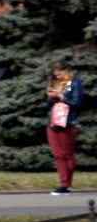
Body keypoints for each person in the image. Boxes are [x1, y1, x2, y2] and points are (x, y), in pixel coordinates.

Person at [45, 60, 83, 195]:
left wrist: (62, 96)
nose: (59, 77)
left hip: (67, 122)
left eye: (60, 74)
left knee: (67, 154)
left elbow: (76, 104)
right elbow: (48, 106)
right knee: (58, 155)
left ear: (67, 70)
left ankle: (66, 185)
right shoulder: (55, 83)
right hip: (53, 122)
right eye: (56, 75)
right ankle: (63, 184)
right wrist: (50, 97)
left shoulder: (75, 82)